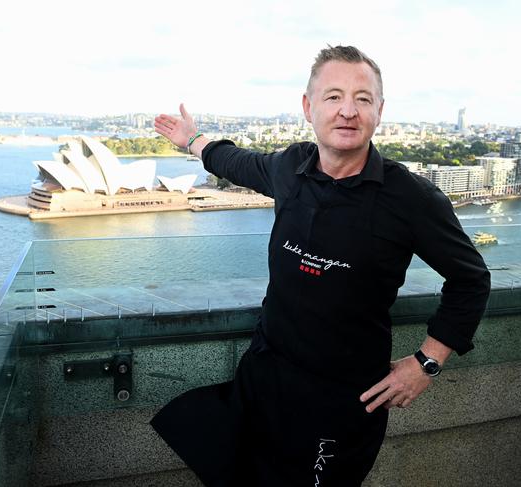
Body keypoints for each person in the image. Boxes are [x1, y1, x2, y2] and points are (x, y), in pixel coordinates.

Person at [150, 45, 491, 487]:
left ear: (379, 112)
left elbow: (471, 279)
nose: (348, 111)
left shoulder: (410, 198)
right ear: (308, 107)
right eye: (333, 97)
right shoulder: (290, 167)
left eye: (363, 99)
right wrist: (192, 141)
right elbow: (234, 161)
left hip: (342, 400)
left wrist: (426, 363)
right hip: (264, 377)